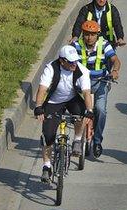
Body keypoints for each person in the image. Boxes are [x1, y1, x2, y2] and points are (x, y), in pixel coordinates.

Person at [34, 45, 93, 182]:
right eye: (71, 62)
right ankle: (47, 166)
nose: (74, 64)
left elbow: (86, 92)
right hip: (54, 102)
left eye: (76, 61)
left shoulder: (81, 70)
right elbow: (42, 89)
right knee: (48, 135)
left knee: (82, 115)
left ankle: (77, 139)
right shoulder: (51, 68)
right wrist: (38, 107)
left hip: (72, 99)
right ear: (62, 61)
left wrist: (89, 111)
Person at [71, 20, 121, 158]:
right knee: (78, 111)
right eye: (86, 34)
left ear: (97, 35)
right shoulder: (75, 46)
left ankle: (97, 140)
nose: (89, 37)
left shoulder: (104, 44)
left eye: (92, 34)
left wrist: (115, 70)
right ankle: (77, 137)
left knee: (100, 110)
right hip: (81, 84)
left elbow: (115, 60)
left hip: (101, 82)